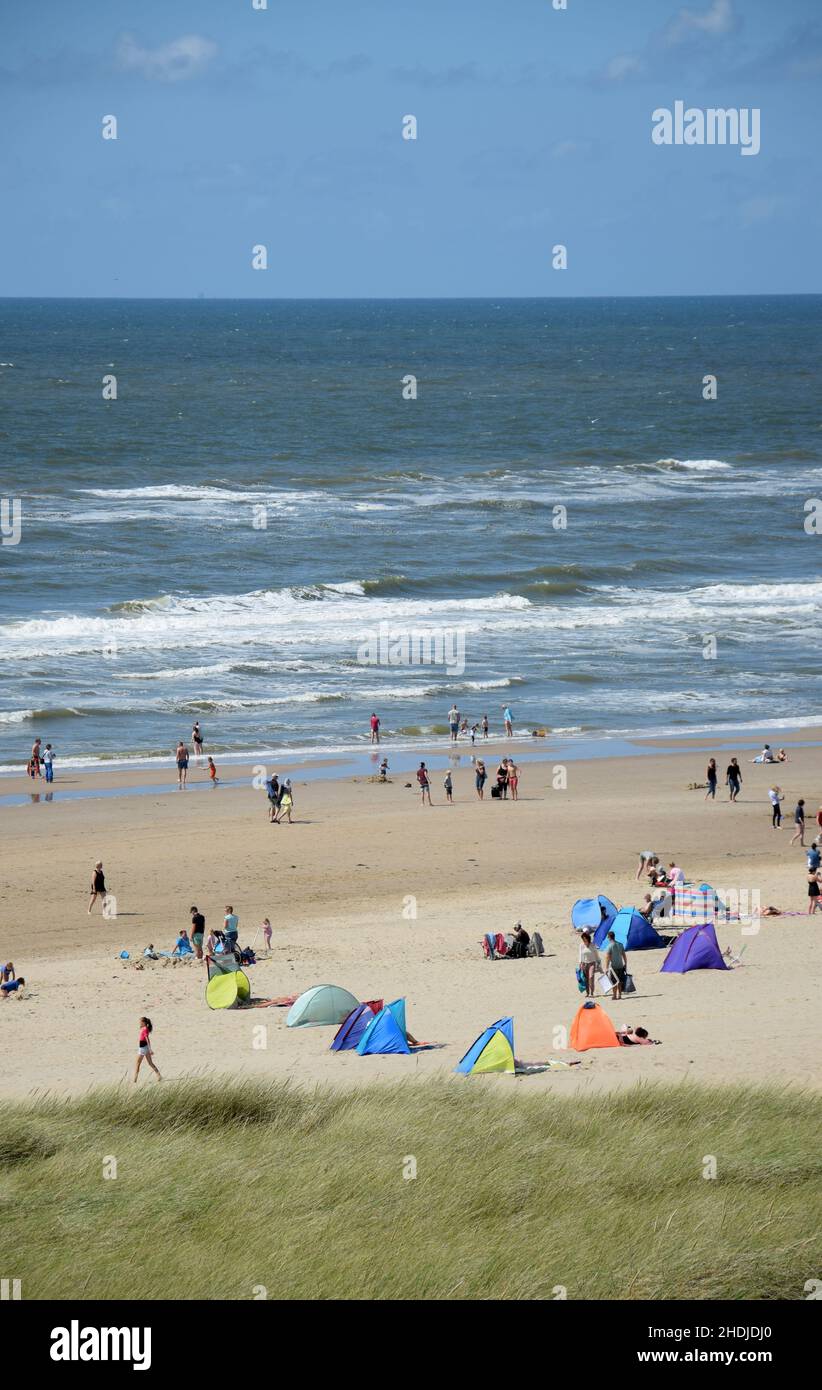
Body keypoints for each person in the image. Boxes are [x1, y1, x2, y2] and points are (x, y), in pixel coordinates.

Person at [134, 1016, 162, 1083]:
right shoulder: (144, 1028)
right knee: (150, 1063)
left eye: (140, 1022)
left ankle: (135, 1080)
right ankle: (159, 1075)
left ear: (143, 1022)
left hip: (143, 1048)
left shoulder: (145, 1029)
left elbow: (147, 1039)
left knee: (137, 1063)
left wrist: (150, 1049)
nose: (139, 1023)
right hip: (144, 1047)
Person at [603, 930, 627, 1000]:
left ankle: (614, 996)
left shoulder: (609, 946)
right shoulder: (620, 944)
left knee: (614, 982)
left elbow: (607, 957)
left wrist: (606, 968)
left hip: (613, 967)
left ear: (609, 937)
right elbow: (624, 955)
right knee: (619, 981)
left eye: (607, 937)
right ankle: (619, 995)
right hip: (620, 965)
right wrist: (625, 964)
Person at [578, 931, 601, 998]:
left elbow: (596, 955)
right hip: (584, 963)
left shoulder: (592, 945)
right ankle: (587, 993)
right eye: (583, 938)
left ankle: (591, 992)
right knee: (586, 979)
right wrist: (580, 963)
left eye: (585, 938)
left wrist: (599, 963)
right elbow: (580, 955)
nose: (584, 940)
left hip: (592, 963)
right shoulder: (581, 945)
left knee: (591, 977)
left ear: (588, 938)